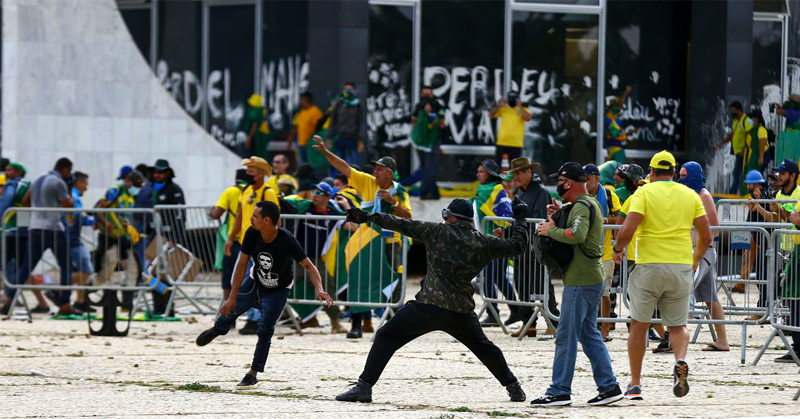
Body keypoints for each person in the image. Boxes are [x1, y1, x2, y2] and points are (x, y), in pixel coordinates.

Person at [335, 198, 530, 403]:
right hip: (461, 311)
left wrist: (368, 217)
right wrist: (520, 218)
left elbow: (401, 224)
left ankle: (364, 387)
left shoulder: (437, 231)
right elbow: (518, 246)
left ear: (452, 217)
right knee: (485, 348)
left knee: (386, 336)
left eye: (446, 216)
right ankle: (513, 387)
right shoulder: (484, 242)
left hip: (428, 307)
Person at [196, 201, 333, 389]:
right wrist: (232, 296)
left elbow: (309, 266)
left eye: (254, 216)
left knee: (265, 329)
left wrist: (319, 289)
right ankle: (217, 330)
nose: (251, 219)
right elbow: (242, 264)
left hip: (277, 290)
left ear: (266, 220)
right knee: (228, 312)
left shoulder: (286, 239)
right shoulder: (252, 234)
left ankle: (252, 374)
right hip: (254, 283)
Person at [613, 150, 712, 400]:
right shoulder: (690, 195)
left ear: (652, 172)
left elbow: (627, 229)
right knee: (678, 326)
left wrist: (617, 249)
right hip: (680, 266)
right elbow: (706, 235)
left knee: (639, 324)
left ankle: (635, 384)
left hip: (649, 266)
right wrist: (696, 258)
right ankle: (680, 360)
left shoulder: (644, 192)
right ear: (673, 172)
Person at [530, 162, 622, 407]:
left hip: (581, 281)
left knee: (566, 335)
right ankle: (609, 386)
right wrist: (558, 215)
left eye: (559, 181)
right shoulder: (585, 204)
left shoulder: (582, 205)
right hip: (588, 278)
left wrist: (550, 231)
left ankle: (559, 390)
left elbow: (577, 235)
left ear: (568, 182)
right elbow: (576, 228)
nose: (557, 185)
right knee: (589, 333)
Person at [313, 135, 412, 335]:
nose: (375, 172)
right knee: (359, 280)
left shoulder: (400, 192)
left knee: (393, 281)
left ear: (390, 173)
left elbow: (408, 217)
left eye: (379, 169)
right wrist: (325, 152)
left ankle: (393, 324)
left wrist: (393, 203)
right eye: (375, 168)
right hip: (364, 241)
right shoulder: (367, 182)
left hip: (389, 243)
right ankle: (357, 325)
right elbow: (344, 167)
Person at [2, 158, 78, 316]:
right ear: (65, 169)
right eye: (69, 171)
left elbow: (25, 201)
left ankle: (9, 298)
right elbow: (67, 204)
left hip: (35, 227)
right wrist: (69, 191)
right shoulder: (58, 182)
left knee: (25, 267)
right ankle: (64, 303)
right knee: (66, 266)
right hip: (54, 228)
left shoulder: (37, 179)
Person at [749, 159, 800, 362]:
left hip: (798, 251)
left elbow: (795, 219)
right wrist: (760, 208)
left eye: (783, 173)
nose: (779, 176)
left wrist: (779, 211)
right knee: (786, 293)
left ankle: (796, 341)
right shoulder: (779, 194)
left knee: (791, 294)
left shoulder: (799, 193)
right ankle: (793, 337)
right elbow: (775, 219)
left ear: (793, 175)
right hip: (784, 250)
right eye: (778, 173)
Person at [223, 157, 280, 335]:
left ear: (261, 173)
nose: (247, 174)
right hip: (246, 243)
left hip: (262, 244)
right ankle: (247, 317)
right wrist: (231, 238)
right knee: (242, 282)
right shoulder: (246, 190)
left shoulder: (268, 192)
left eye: (251, 171)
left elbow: (277, 218)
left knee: (256, 283)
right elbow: (240, 215)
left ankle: (256, 320)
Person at [503, 157, 559, 336]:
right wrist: (505, 232)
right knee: (522, 287)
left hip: (535, 248)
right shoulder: (520, 192)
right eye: (514, 173)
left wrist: (516, 229)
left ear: (529, 172)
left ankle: (554, 322)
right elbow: (520, 221)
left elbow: (536, 219)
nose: (516, 176)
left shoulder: (540, 192)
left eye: (519, 172)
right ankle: (529, 324)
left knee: (542, 286)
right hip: (521, 247)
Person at [283, 182, 348, 333]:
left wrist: (345, 206)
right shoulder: (305, 207)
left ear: (327, 197)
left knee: (326, 288)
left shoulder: (333, 214)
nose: (314, 195)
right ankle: (306, 318)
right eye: (313, 191)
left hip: (315, 259)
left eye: (319, 193)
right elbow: (286, 204)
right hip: (295, 256)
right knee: (281, 285)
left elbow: (353, 226)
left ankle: (335, 322)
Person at [678, 162, 729, 351]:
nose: (681, 179)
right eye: (680, 175)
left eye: (684, 175)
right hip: (699, 251)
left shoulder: (703, 195)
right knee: (711, 299)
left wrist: (695, 244)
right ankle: (722, 341)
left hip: (702, 252)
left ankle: (673, 337)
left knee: (682, 292)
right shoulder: (691, 195)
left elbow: (714, 228)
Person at [473, 159, 516, 327]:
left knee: (488, 277)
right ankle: (517, 309)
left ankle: (493, 313)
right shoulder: (498, 189)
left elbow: (475, 206)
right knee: (498, 277)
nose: (478, 174)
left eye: (481, 171)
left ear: (490, 174)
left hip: (495, 242)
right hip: (498, 241)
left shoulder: (490, 189)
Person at [94, 170, 144, 308]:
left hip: (123, 239)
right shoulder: (115, 191)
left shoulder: (131, 197)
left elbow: (126, 216)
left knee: (132, 269)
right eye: (135, 185)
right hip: (109, 237)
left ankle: (126, 305)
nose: (137, 189)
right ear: (128, 182)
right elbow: (100, 209)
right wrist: (105, 223)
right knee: (107, 269)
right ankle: (88, 289)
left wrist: (130, 230)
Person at [584, 164, 621, 341]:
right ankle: (588, 325)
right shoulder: (580, 194)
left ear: (596, 178)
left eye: (587, 178)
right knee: (585, 290)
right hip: (584, 251)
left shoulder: (608, 194)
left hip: (605, 250)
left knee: (604, 292)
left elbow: (620, 218)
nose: (585, 182)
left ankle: (605, 326)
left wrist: (606, 220)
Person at [150, 159, 186, 316]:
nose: (157, 175)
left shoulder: (174, 189)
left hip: (168, 238)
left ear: (168, 173)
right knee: (152, 273)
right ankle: (158, 307)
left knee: (166, 274)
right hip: (154, 237)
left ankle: (167, 308)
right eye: (155, 172)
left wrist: (175, 238)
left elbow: (180, 215)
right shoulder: (151, 189)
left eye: (161, 172)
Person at [210, 169, 248, 302]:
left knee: (228, 276)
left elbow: (216, 214)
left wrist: (211, 210)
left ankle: (229, 311)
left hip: (235, 240)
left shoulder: (230, 191)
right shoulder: (253, 192)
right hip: (252, 240)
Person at [66, 172, 94, 312]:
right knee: (86, 270)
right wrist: (94, 220)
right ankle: (58, 288)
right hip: (72, 239)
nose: (86, 188)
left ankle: (81, 301)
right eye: (85, 184)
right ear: (78, 183)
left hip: (71, 238)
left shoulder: (71, 194)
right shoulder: (74, 196)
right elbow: (78, 217)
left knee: (80, 270)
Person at [409, 85, 445, 200]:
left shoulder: (438, 106)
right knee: (426, 167)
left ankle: (425, 191)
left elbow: (442, 122)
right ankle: (433, 192)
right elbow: (414, 121)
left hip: (432, 141)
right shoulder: (419, 107)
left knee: (430, 167)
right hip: (421, 141)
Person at [716, 101, 753, 195]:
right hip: (738, 152)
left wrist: (745, 149)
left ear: (739, 109)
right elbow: (732, 135)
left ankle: (735, 192)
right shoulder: (736, 121)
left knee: (738, 173)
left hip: (745, 153)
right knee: (738, 173)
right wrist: (721, 144)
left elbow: (752, 134)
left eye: (733, 111)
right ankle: (737, 192)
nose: (731, 113)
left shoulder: (747, 120)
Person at [329, 82, 366, 167]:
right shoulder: (339, 103)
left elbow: (361, 123)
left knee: (354, 163)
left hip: (352, 138)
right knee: (337, 163)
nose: (347, 91)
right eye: (346, 89)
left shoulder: (357, 105)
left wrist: (361, 140)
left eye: (350, 89)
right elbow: (333, 120)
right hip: (340, 137)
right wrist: (330, 136)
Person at [491, 91, 532, 163]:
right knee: (496, 167)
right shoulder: (503, 109)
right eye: (510, 99)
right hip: (502, 142)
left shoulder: (523, 110)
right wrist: (499, 105)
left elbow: (528, 118)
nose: (512, 101)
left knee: (514, 169)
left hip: (516, 143)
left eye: (513, 98)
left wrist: (520, 106)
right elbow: (491, 115)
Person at [287, 92, 324, 163]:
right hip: (300, 144)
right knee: (301, 165)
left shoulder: (315, 111)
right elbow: (296, 127)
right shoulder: (301, 112)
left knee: (311, 164)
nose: (299, 102)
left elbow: (319, 128)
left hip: (311, 144)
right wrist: (290, 140)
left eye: (301, 99)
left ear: (306, 99)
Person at [604, 85, 633, 163]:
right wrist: (626, 92)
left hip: (617, 148)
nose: (620, 107)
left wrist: (630, 133)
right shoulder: (609, 117)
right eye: (617, 106)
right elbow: (620, 103)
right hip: (614, 149)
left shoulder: (616, 118)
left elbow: (619, 134)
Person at [243, 94, 271, 160]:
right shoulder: (263, 110)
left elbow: (254, 126)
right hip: (263, 135)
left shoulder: (256, 111)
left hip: (258, 137)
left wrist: (249, 139)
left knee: (257, 157)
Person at [745, 110, 772, 177]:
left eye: (752, 118)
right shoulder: (753, 128)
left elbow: (762, 144)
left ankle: (763, 187)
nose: (750, 120)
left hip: (763, 154)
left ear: (756, 119)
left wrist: (761, 157)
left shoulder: (761, 129)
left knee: (758, 173)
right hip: (756, 154)